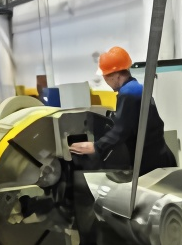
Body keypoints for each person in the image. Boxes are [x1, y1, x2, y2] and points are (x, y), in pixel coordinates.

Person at [69, 46, 176, 175]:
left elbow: (121, 130)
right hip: (159, 157)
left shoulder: (128, 93)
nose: (105, 81)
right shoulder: (136, 87)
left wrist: (96, 147)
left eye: (105, 77)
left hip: (152, 164)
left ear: (116, 76)